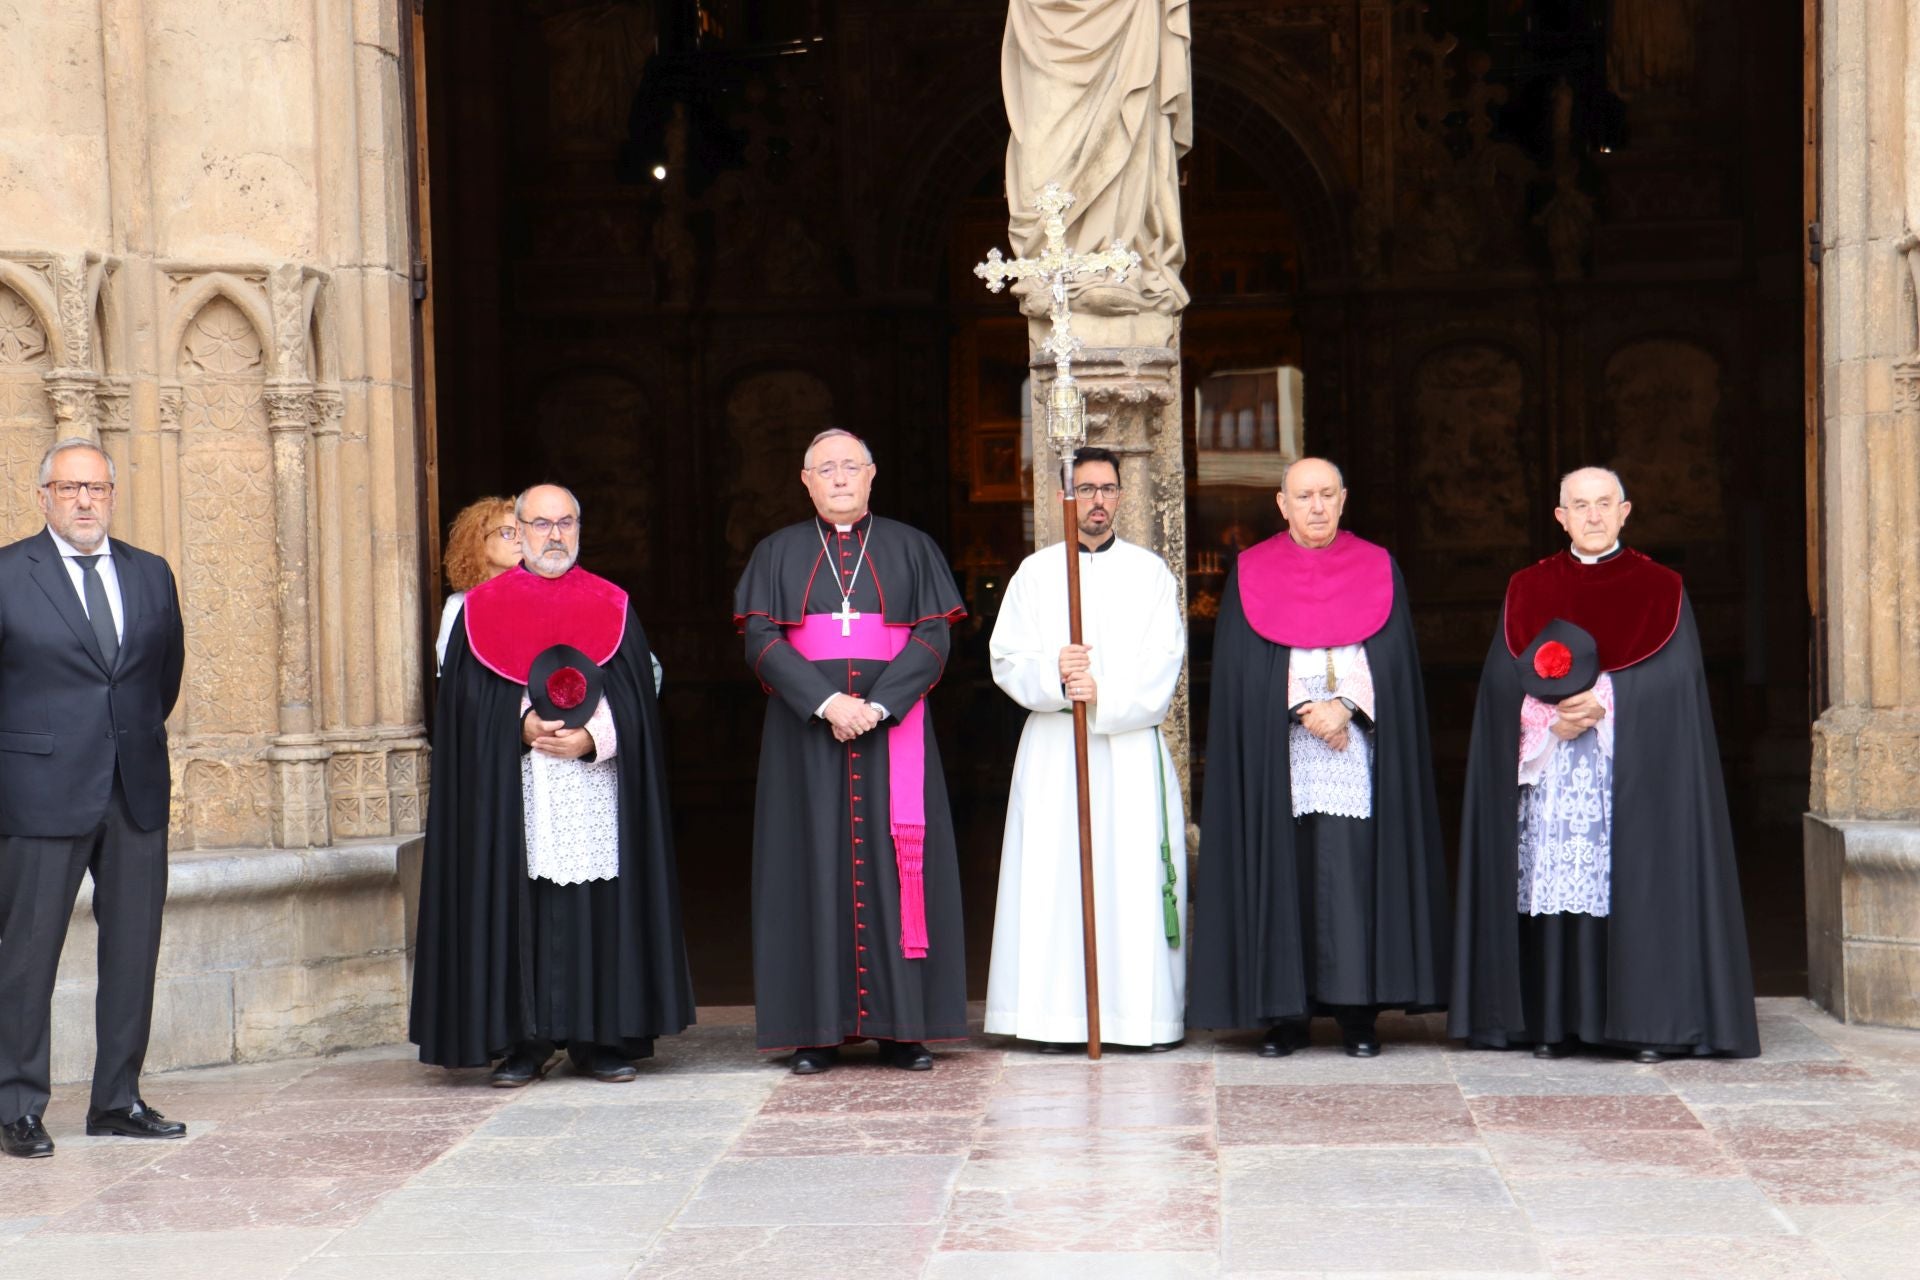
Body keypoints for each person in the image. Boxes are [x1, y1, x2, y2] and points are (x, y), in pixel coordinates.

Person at [1449, 467, 1759, 1061]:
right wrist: (1546, 720)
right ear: (1560, 517)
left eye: (1604, 504)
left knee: (1629, 882)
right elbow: (1496, 686)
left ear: (1625, 512)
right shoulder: (1528, 588)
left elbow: (1678, 682)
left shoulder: (1660, 587)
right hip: (1554, 771)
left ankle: (1643, 1025)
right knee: (1554, 883)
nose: (1592, 516)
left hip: (1628, 774)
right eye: (1579, 505)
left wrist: (1607, 702)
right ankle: (1551, 1024)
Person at [411, 483, 695, 1085]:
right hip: (515, 787)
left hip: (594, 786)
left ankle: (601, 1040)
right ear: (520, 530)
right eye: (540, 524)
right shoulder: (481, 609)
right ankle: (523, 1042)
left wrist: (596, 738)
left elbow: (638, 696)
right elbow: (461, 704)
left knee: (596, 903)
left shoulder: (611, 603)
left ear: (579, 529)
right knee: (521, 904)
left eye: (566, 523)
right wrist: (518, 725)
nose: (554, 535)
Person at [1188, 457, 1450, 1057]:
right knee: (1286, 872)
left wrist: (1348, 709)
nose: (1316, 507)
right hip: (1280, 752)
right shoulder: (1253, 569)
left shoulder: (1377, 564)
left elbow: (1392, 660)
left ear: (1343, 499)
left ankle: (1358, 1013)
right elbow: (1242, 669)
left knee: (1351, 876)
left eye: (1327, 495)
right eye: (1304, 496)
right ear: (1282, 504)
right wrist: (1305, 706)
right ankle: (1288, 1016)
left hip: (1356, 750)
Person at [733, 429, 968, 1073]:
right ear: (804, 481)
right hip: (804, 736)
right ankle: (814, 1031)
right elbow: (760, 639)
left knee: (898, 870)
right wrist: (827, 703)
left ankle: (904, 1027)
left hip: (895, 733)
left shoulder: (912, 548)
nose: (838, 478)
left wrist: (878, 705)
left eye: (849, 467)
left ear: (872, 476)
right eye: (824, 469)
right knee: (808, 864)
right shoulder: (777, 552)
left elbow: (932, 641)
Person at [0, 438, 186, 1159]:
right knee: (27, 954)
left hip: (134, 788)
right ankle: (17, 1104)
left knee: (134, 951)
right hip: (37, 793)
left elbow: (160, 677)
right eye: (71, 487)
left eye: (98, 488)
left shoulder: (149, 574)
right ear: (42, 494)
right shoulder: (11, 573)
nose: (85, 500)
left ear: (112, 495)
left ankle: (117, 1099)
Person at [984, 447, 1187, 1052]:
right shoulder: (1035, 573)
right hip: (1054, 751)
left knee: (1126, 877)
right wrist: (1056, 675)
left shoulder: (1150, 573)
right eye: (1086, 489)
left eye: (1108, 488)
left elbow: (1165, 661)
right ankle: (1057, 1019)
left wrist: (1104, 691)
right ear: (1063, 499)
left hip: (1124, 749)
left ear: (1122, 496)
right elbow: (1005, 658)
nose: (1097, 500)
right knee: (1054, 877)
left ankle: (1135, 1020)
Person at [435, 496, 521, 674]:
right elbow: (452, 672)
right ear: (480, 542)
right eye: (507, 532)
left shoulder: (535, 596)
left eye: (522, 532)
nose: (519, 540)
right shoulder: (459, 606)